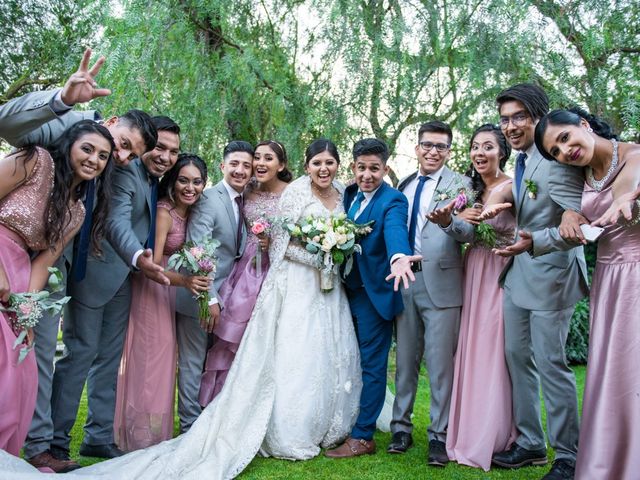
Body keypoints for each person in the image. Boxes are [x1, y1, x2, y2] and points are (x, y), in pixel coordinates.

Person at [0, 50, 160, 473]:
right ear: (108, 125)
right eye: (122, 145)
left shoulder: (111, 171)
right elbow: (7, 124)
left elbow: (115, 217)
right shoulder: (65, 132)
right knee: (28, 355)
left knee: (37, 352)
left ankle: (43, 445)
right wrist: (62, 100)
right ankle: (37, 445)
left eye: (128, 155)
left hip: (55, 264)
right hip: (17, 253)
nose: (119, 158)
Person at [50, 116, 178, 462]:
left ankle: (97, 436)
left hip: (122, 280)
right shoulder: (123, 172)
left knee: (108, 360)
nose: (164, 156)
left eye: (171, 151)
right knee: (79, 356)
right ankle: (54, 442)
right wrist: (138, 256)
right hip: (95, 273)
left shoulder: (150, 178)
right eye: (159, 148)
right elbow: (115, 220)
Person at [0, 120, 114, 463]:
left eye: (103, 156)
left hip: (20, 272)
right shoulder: (35, 161)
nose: (94, 159)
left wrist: (26, 313)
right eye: (88, 149)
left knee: (19, 362)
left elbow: (43, 263)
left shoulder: (76, 211)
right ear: (69, 146)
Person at [535, 108, 640, 480]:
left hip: (636, 274)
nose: (565, 152)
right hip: (608, 277)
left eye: (564, 138)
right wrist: (567, 213)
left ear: (583, 124)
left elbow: (627, 189)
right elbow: (572, 213)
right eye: (556, 152)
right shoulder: (580, 174)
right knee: (611, 369)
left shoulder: (632, 154)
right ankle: (610, 459)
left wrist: (624, 202)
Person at [490, 84, 588, 480]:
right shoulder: (522, 162)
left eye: (518, 117)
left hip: (552, 275)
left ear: (538, 117)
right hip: (519, 276)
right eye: (505, 119)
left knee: (552, 365)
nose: (510, 126)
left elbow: (576, 220)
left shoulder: (557, 160)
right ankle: (530, 443)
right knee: (518, 359)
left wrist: (535, 242)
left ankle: (568, 455)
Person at [428, 124, 517, 470]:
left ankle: (492, 433)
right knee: (469, 348)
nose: (480, 153)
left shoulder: (514, 186)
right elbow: (465, 233)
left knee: (491, 350)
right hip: (472, 271)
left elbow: (526, 228)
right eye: (475, 147)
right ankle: (464, 431)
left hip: (498, 272)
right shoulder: (471, 190)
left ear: (502, 152)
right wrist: (449, 220)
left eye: (489, 147)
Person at [325, 138, 418, 459]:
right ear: (353, 168)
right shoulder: (349, 195)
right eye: (362, 168)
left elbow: (394, 232)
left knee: (373, 366)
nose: (367, 175)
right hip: (343, 291)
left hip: (374, 295)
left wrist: (399, 258)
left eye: (374, 169)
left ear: (386, 168)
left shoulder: (394, 200)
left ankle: (363, 436)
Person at [388, 121, 474, 466]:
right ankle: (400, 428)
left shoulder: (462, 184)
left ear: (449, 151)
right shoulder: (404, 184)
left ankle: (439, 435)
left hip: (443, 284)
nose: (433, 151)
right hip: (405, 281)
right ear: (417, 147)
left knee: (440, 366)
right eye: (427, 145)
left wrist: (447, 223)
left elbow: (468, 232)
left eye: (441, 146)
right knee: (405, 362)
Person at [114, 154, 209, 451]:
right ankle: (142, 437)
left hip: (170, 293)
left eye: (196, 182)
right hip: (153, 290)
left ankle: (157, 432)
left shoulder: (189, 212)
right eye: (183, 180)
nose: (190, 187)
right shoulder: (165, 212)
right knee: (150, 360)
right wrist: (186, 281)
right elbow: (153, 265)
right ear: (173, 180)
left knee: (164, 361)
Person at [199, 140, 291, 405]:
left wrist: (274, 243)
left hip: (273, 268)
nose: (260, 164)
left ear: (281, 165)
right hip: (243, 272)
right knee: (231, 337)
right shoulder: (246, 189)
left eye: (267, 158)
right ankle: (221, 402)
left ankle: (259, 402)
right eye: (257, 158)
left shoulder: (292, 193)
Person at [173, 141, 253, 433]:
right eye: (234, 164)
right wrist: (208, 298)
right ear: (223, 166)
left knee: (214, 360)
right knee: (194, 361)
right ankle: (190, 425)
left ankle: (210, 416)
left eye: (246, 165)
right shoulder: (209, 198)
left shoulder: (245, 200)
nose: (240, 170)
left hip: (230, 297)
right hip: (200, 295)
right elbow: (197, 248)